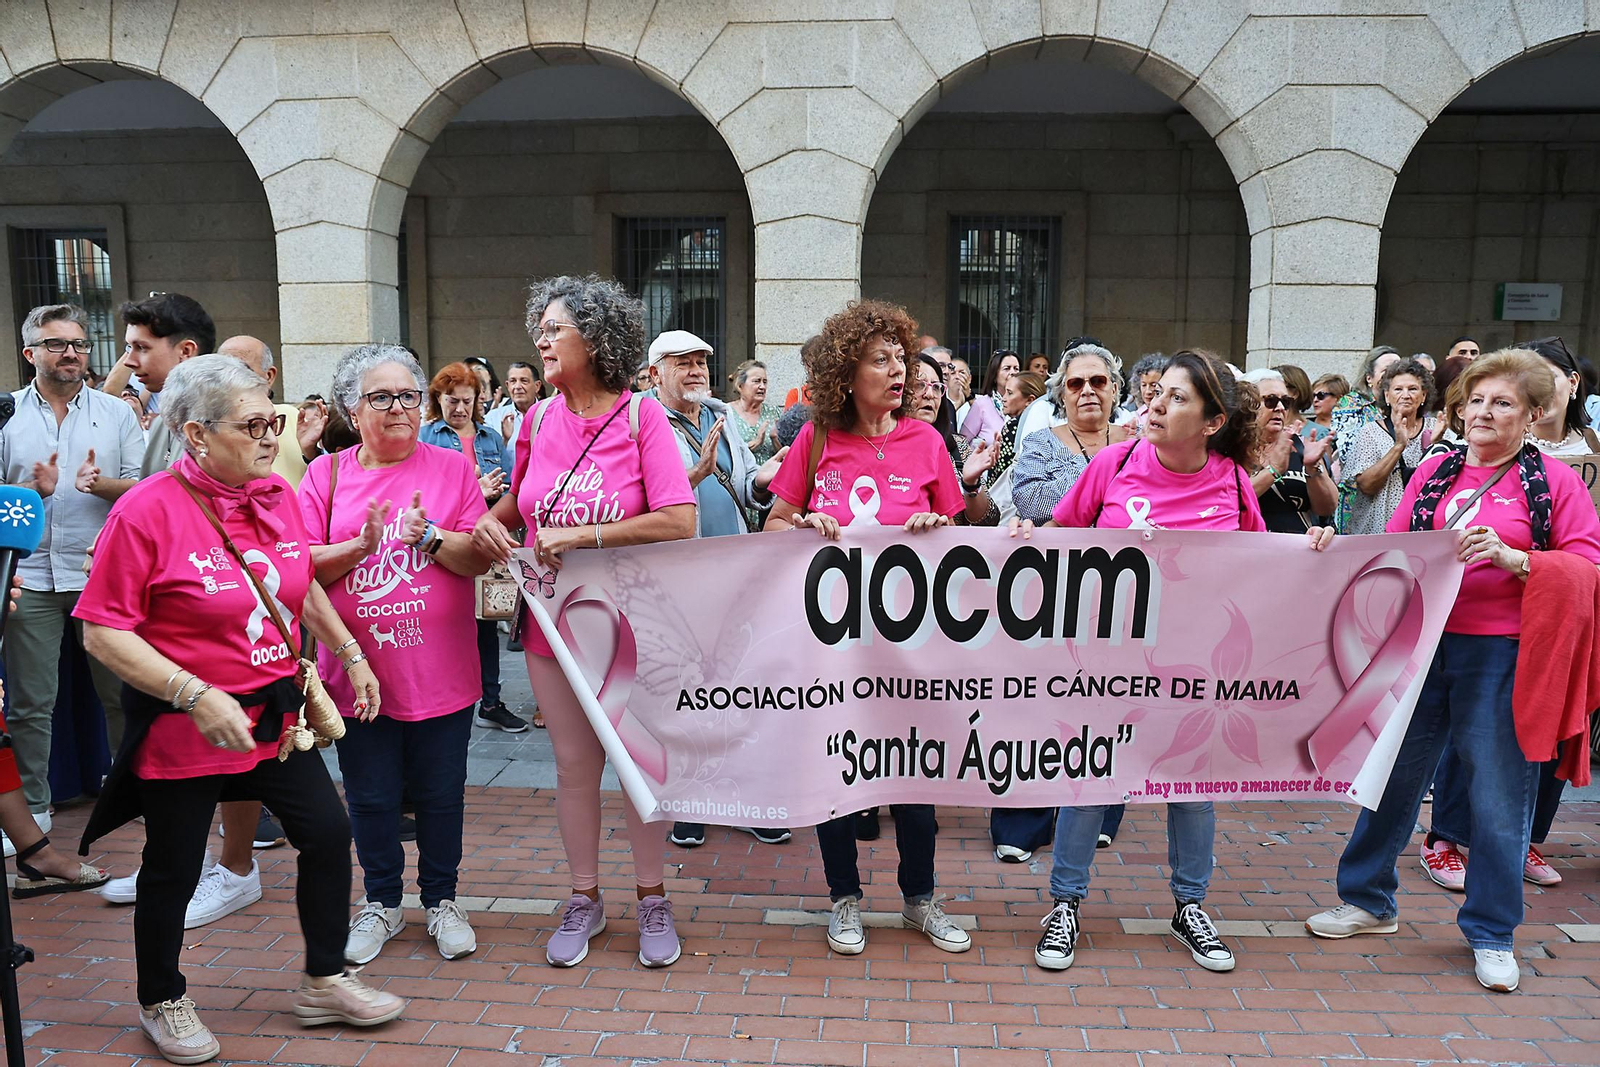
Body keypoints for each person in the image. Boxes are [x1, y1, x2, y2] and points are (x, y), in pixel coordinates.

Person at [75, 354, 403, 1064]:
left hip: (274, 716)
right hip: (185, 723)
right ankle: (161, 996)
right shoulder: (146, 510)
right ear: (196, 435)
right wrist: (194, 692)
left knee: (324, 830)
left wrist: (349, 652)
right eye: (253, 423)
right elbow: (100, 627)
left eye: (273, 418)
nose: (270, 433)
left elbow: (291, 580)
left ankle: (324, 978)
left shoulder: (276, 493)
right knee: (174, 864)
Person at [1015, 351, 1333, 976]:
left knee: (1194, 788)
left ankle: (1191, 906)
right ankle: (1066, 904)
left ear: (1213, 422)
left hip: (1197, 672)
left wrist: (1312, 547)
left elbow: (1259, 563)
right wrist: (1030, 537)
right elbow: (1064, 535)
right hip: (1108, 664)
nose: (1156, 405)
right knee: (1091, 778)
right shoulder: (1114, 463)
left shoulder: (1233, 481)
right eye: (1157, 392)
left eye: (1177, 398)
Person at [1306, 349, 1600, 994]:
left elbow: (1586, 566)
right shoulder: (1435, 471)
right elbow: (1395, 549)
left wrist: (1518, 560)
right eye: (1474, 401)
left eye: (1502, 403)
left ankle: (1492, 931)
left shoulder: (1556, 483)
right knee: (1391, 776)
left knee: (1499, 793)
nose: (1483, 413)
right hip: (1422, 646)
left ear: (1533, 415)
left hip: (1502, 653)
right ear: (1457, 408)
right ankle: (1368, 898)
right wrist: (1331, 544)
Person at [471, 274, 696, 969]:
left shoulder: (640, 417)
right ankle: (584, 897)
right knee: (573, 766)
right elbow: (522, 501)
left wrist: (585, 537)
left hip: (633, 623)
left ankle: (653, 897)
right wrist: (489, 520)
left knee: (637, 766)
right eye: (538, 325)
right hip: (550, 624)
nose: (540, 337)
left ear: (594, 340)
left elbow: (680, 518)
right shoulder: (535, 420)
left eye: (555, 327)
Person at [763, 299, 972, 959]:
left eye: (901, 358)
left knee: (912, 773)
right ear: (845, 373)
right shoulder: (815, 440)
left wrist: (937, 530)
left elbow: (961, 539)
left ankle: (920, 898)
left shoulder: (928, 441)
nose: (897, 370)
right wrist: (802, 526)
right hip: (832, 648)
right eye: (880, 359)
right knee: (836, 770)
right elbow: (772, 526)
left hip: (912, 647)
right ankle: (844, 898)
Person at [300, 344, 492, 966]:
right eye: (381, 397)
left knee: (442, 793)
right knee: (371, 796)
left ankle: (442, 900)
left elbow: (477, 557)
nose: (400, 408)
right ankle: (381, 901)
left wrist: (431, 537)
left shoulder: (453, 467)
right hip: (357, 675)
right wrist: (358, 547)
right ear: (352, 411)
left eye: (409, 396)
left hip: (442, 670)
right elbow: (297, 570)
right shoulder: (324, 476)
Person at [0, 303, 143, 857]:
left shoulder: (116, 413)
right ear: (29, 352)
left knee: (121, 693)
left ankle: (128, 791)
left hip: (99, 573)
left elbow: (141, 491)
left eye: (79, 344)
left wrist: (97, 483)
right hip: (28, 577)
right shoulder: (6, 413)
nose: (72, 354)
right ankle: (33, 808)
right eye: (57, 344)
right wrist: (31, 495)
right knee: (32, 702)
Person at [645, 330, 791, 850]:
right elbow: (639, 502)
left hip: (733, 576)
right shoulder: (641, 420)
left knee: (742, 687)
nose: (696, 372)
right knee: (686, 694)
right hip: (676, 579)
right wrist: (691, 475)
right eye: (682, 363)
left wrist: (768, 476)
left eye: (702, 362)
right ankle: (690, 803)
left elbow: (746, 484)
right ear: (654, 372)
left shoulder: (720, 416)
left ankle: (749, 799)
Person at [418, 362, 525, 734]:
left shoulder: (490, 437)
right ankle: (440, 696)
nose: (460, 408)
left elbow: (511, 488)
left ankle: (490, 702)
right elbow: (419, 498)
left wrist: (490, 501)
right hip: (439, 542)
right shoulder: (425, 437)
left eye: (467, 400)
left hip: (483, 538)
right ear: (438, 399)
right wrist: (470, 495)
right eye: (452, 401)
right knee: (442, 624)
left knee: (485, 623)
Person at [1011, 344, 1135, 526]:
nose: (1087, 390)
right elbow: (1031, 503)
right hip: (1060, 552)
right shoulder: (1040, 442)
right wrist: (1106, 476)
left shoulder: (1138, 441)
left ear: (1114, 390)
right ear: (1062, 395)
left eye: (1098, 381)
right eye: (1075, 384)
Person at [115, 293, 217, 477]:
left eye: (142, 348)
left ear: (186, 350)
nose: (129, 362)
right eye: (130, 348)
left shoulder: (228, 421)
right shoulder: (163, 423)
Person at [217, 335, 325, 488]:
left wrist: (310, 453)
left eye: (242, 371)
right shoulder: (211, 427)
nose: (230, 380)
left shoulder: (294, 418)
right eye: (223, 371)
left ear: (269, 376)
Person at [1345, 358, 1436, 536]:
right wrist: (1398, 446)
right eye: (1398, 389)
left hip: (1422, 532)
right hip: (1377, 532)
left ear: (1424, 395)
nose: (1406, 395)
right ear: (1387, 396)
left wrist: (1438, 445)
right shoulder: (1369, 432)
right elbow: (1367, 486)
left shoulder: (1437, 429)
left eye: (1413, 389)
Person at [1250, 372, 1336, 533]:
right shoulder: (1232, 448)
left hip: (1298, 546)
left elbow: (1327, 508)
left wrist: (1313, 467)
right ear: (1248, 404)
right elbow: (1233, 500)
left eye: (1285, 401)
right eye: (1270, 401)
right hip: (1248, 547)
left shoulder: (1301, 444)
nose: (1280, 408)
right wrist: (1273, 471)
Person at [1331, 346, 1401, 532]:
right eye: (1386, 371)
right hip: (1360, 497)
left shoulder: (1404, 403)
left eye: (1398, 369)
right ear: (1369, 378)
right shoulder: (1352, 404)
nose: (1392, 375)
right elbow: (1350, 455)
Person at [1518, 337, 1599, 455]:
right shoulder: (1497, 447)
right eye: (1527, 380)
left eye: (1548, 377)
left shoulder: (1594, 443)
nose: (1538, 388)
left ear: (1573, 382)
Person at [726, 358, 783, 465]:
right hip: (741, 479)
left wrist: (774, 439)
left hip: (772, 478)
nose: (762, 386)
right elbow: (722, 454)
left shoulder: (774, 412)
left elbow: (787, 454)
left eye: (765, 382)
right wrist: (753, 444)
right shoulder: (727, 413)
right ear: (740, 385)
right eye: (757, 381)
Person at [959, 349, 1020, 445]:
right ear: (995, 375)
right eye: (1007, 368)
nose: (1013, 372)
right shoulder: (982, 404)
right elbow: (961, 443)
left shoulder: (1025, 405)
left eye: (1016, 368)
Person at [487, 360, 542, 457]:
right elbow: (487, 457)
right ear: (507, 386)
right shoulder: (493, 418)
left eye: (524, 381)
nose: (517, 386)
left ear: (537, 386)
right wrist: (504, 440)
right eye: (513, 381)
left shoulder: (550, 415)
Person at [1118, 353, 1168, 423]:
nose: (1148, 391)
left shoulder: (1171, 413)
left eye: (1154, 385)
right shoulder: (1129, 414)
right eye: (1144, 385)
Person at [1304, 374, 1348, 443]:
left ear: (1339, 399)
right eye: (1313, 396)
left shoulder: (1348, 429)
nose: (1315, 400)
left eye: (1320, 395)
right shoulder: (1304, 424)